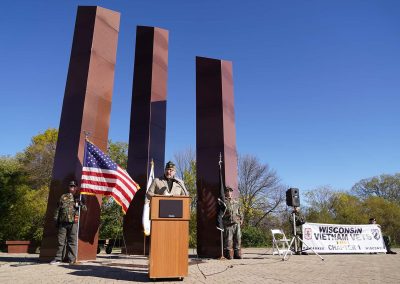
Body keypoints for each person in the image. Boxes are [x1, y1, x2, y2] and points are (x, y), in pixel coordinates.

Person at [50, 180, 86, 265]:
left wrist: (81, 204)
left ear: (76, 188)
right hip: (63, 222)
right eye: (71, 186)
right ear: (68, 187)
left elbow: (85, 209)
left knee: (72, 241)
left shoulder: (79, 197)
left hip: (73, 222)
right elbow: (58, 208)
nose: (72, 188)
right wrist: (55, 220)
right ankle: (58, 258)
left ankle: (72, 259)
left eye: (74, 186)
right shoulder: (63, 196)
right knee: (60, 241)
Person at [223, 186, 243, 260]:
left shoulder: (236, 201)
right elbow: (220, 213)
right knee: (228, 239)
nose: (229, 193)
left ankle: (237, 254)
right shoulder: (223, 201)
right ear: (225, 192)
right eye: (227, 191)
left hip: (236, 222)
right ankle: (228, 254)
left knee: (238, 238)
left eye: (230, 191)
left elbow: (240, 211)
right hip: (228, 223)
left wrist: (241, 219)